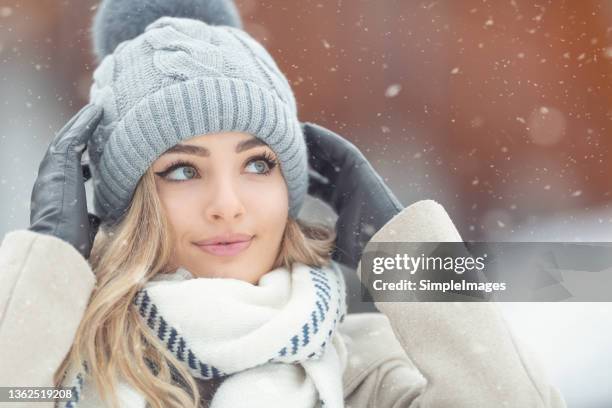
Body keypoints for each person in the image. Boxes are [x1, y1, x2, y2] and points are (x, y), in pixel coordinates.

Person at [0, 0, 567, 407]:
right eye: (181, 170)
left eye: (257, 164)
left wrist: (407, 248)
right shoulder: (56, 365)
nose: (228, 204)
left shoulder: (359, 368)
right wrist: (49, 264)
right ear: (129, 203)